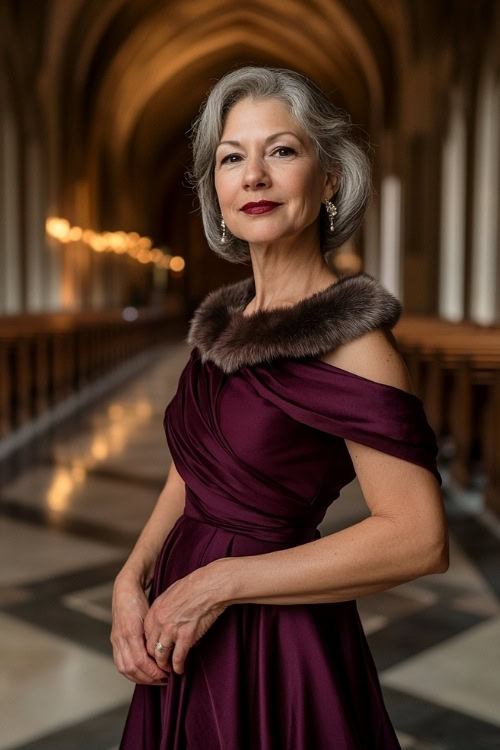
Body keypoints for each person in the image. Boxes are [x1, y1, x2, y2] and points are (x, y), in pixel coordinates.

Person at [112, 65, 449, 749]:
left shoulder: (354, 341)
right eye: (233, 158)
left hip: (274, 634)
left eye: (282, 151)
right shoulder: (223, 326)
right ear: (217, 190)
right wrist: (132, 575)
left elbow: (420, 538)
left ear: (329, 179)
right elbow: (196, 470)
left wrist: (223, 583)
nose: (254, 176)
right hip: (186, 612)